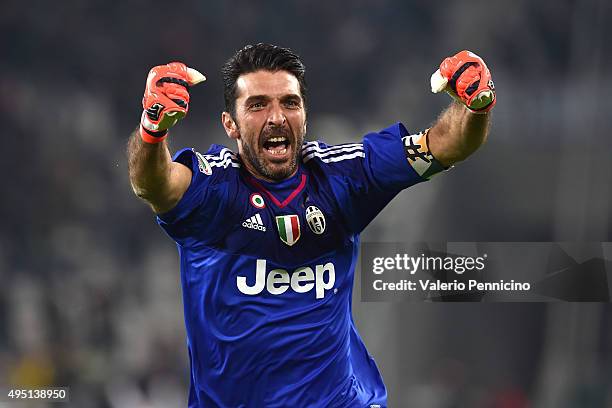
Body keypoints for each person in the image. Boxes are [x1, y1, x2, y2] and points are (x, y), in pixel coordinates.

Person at [127, 43, 495, 407]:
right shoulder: (214, 191)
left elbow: (447, 144)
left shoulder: (343, 178)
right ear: (231, 125)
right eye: (257, 105)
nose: (276, 118)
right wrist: (152, 130)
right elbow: (152, 183)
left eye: (289, 102)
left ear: (304, 114)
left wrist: (475, 107)